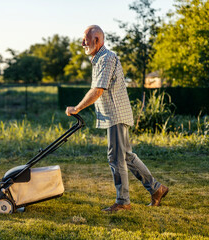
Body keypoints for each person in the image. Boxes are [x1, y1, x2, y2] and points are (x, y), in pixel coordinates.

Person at [65, 25, 169, 212]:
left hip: (116, 115)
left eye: (85, 40)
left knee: (116, 158)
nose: (82, 44)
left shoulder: (107, 58)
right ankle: (156, 188)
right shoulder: (99, 60)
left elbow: (97, 90)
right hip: (114, 115)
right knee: (127, 156)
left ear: (97, 40)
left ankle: (123, 202)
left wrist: (77, 108)